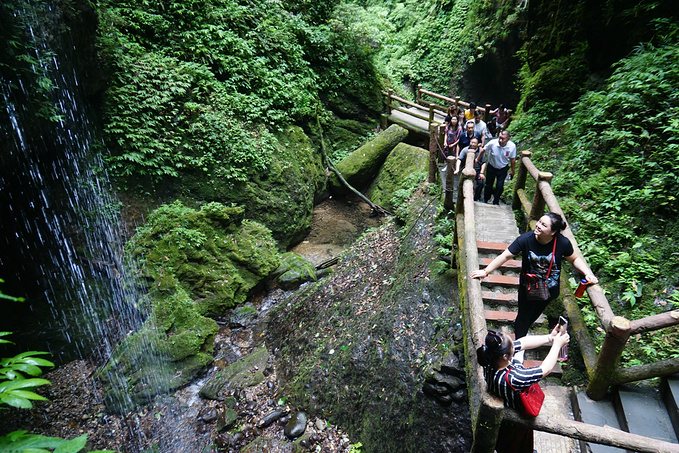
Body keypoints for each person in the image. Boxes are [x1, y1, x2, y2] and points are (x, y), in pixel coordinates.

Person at [471, 212, 599, 339]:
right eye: (539, 221)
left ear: (553, 232)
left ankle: (523, 331)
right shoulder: (526, 239)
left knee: (533, 316)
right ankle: (520, 345)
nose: (537, 225)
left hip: (549, 290)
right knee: (522, 317)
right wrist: (486, 271)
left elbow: (574, 259)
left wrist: (587, 273)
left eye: (543, 225)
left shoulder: (562, 243)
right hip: (528, 288)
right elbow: (505, 255)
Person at [476, 326, 570, 452]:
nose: (514, 345)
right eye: (512, 345)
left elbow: (523, 342)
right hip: (514, 421)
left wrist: (549, 338)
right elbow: (545, 369)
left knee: (505, 443)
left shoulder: (491, 359)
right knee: (517, 447)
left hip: (502, 416)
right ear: (505, 356)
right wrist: (557, 346)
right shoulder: (514, 377)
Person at [481, 130, 516, 205]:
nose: (500, 140)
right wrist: (477, 159)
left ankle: (496, 201)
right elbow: (483, 150)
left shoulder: (512, 146)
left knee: (500, 186)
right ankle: (486, 199)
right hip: (491, 166)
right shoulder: (493, 143)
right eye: (499, 138)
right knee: (488, 184)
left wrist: (513, 170)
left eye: (503, 138)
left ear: (508, 139)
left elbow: (512, 159)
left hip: (502, 168)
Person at [454, 137, 486, 201]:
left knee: (480, 183)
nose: (473, 144)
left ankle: (476, 198)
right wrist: (457, 169)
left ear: (478, 144)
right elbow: (459, 159)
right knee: (464, 183)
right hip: (466, 170)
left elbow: (483, 162)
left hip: (477, 170)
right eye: (472, 142)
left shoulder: (481, 151)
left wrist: (481, 173)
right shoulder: (465, 150)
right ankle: (463, 197)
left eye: (475, 143)